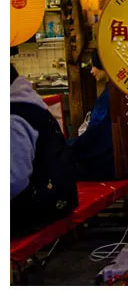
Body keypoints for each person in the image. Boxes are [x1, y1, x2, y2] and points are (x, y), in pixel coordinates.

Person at [11, 61, 78, 237]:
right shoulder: (26, 102)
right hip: (54, 196)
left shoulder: (13, 117)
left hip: (39, 205)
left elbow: (13, 183)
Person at [69, 49, 116, 181]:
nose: (91, 71)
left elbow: (96, 133)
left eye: (94, 66)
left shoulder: (108, 96)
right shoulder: (114, 90)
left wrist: (71, 148)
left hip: (106, 164)